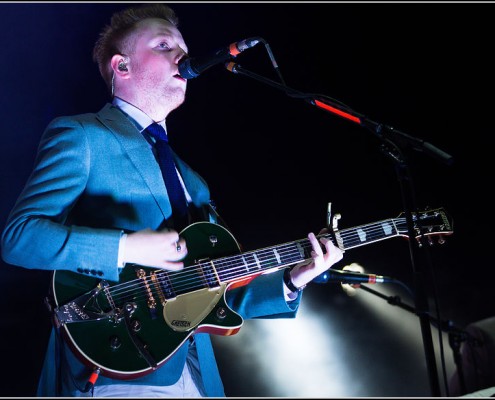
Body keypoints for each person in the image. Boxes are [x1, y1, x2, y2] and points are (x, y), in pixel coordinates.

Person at [1, 3, 343, 397]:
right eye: (164, 45)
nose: (182, 55)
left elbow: (214, 292)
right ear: (122, 66)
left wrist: (292, 278)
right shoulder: (81, 135)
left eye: (182, 46)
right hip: (115, 370)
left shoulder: (193, 181)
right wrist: (126, 246)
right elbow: (19, 238)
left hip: (197, 376)